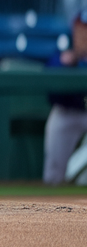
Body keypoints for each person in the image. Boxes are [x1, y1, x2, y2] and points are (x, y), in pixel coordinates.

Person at [44, 10, 87, 185]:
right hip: (66, 113)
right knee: (53, 174)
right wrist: (67, 63)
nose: (82, 34)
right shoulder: (63, 45)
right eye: (80, 29)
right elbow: (51, 91)